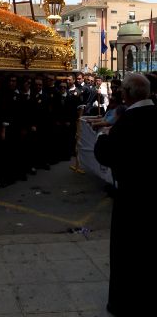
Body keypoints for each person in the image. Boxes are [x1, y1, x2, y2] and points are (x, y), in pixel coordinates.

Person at [94, 73, 156, 316]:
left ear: (128, 94)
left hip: (131, 197)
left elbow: (106, 155)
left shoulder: (127, 122)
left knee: (127, 251)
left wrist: (102, 137)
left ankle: (124, 301)